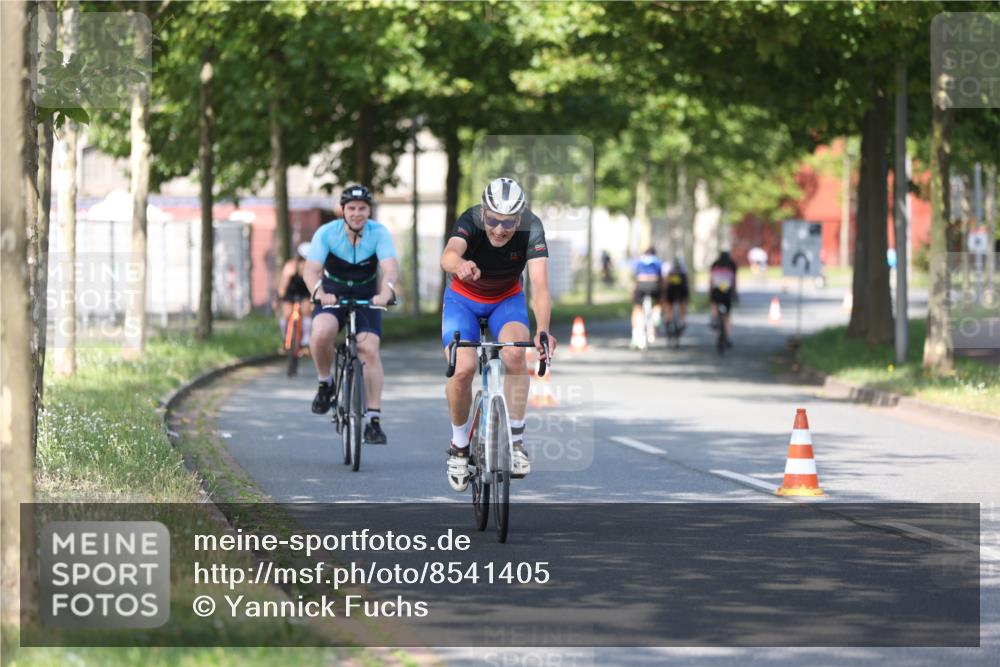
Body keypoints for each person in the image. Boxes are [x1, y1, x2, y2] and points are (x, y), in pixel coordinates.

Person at [440, 177, 556, 492]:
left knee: (517, 353)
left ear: (519, 218)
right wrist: (461, 265)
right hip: (462, 301)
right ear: (484, 212)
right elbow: (448, 256)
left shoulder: (531, 228)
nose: (500, 228)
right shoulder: (471, 219)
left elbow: (540, 286)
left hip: (506, 301)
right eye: (493, 219)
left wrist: (543, 330)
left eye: (508, 222)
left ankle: (516, 442)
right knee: (462, 368)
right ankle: (460, 445)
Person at [304, 185, 400, 445]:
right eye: (352, 208)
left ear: (369, 211)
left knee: (369, 347)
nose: (357, 213)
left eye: (362, 209)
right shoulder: (326, 233)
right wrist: (319, 291)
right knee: (322, 331)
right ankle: (325, 383)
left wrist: (386, 291)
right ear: (342, 210)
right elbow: (311, 269)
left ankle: (373, 421)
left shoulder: (378, 233)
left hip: (367, 296)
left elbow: (389, 268)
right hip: (332, 294)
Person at [276, 242, 314, 350]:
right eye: (302, 259)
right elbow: (283, 285)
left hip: (305, 293)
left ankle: (306, 338)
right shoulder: (290, 267)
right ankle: (285, 338)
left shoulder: (313, 267)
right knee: (286, 313)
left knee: (306, 309)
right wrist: (280, 298)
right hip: (291, 293)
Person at [630, 246, 663, 349]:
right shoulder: (657, 261)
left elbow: (635, 277)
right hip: (654, 284)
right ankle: (656, 315)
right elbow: (661, 277)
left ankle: (636, 334)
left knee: (637, 309)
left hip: (641, 284)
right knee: (658, 302)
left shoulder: (639, 261)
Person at [708, 250, 738, 347]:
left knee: (714, 304)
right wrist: (735, 294)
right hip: (726, 292)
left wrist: (710, 294)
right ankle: (727, 337)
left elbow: (711, 282)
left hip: (716, 291)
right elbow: (734, 283)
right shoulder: (731, 269)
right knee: (727, 316)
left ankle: (714, 318)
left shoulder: (715, 267)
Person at [662, 255, 690, 334]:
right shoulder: (684, 271)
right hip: (681, 292)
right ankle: (682, 321)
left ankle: (668, 319)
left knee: (668, 304)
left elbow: (665, 283)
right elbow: (687, 283)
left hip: (671, 291)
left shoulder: (669, 270)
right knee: (683, 304)